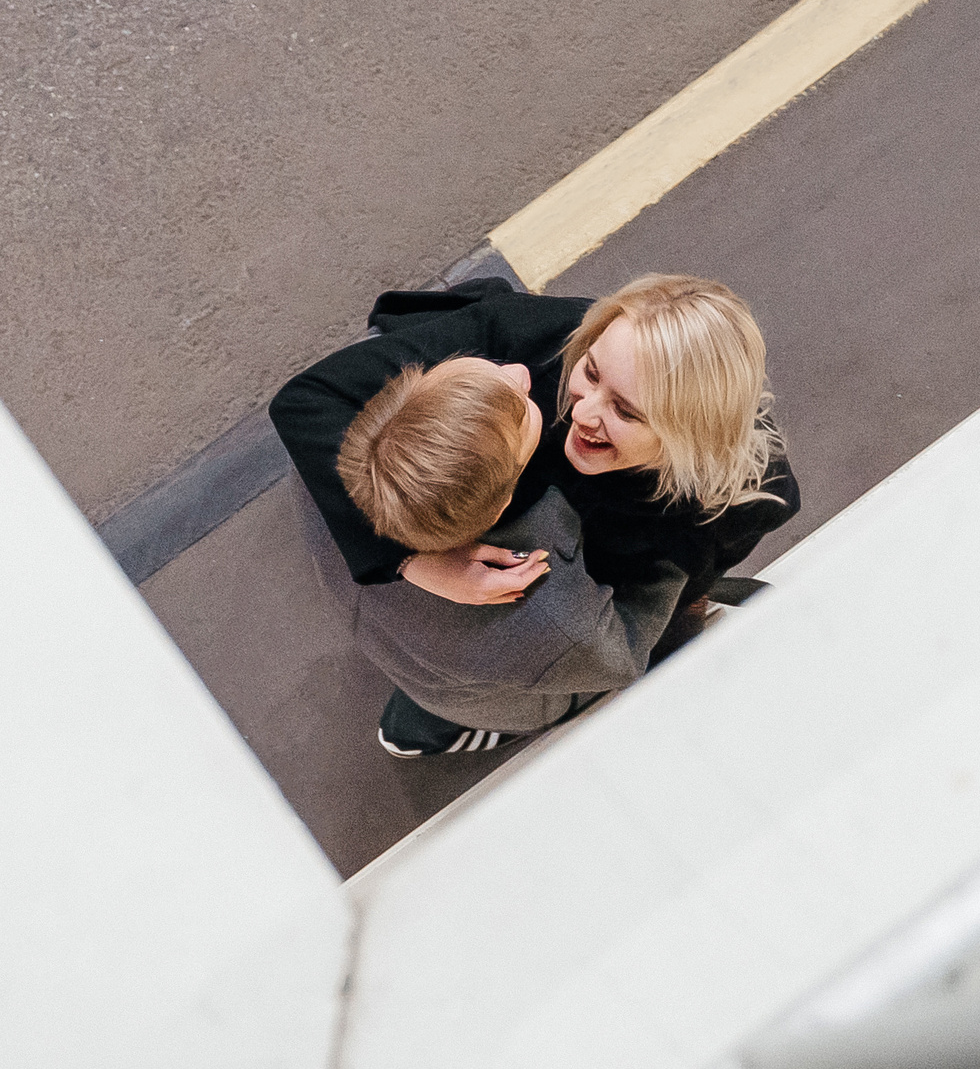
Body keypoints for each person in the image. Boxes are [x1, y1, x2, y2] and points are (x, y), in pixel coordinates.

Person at [270, 273, 801, 756]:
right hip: (472, 677)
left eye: (627, 410)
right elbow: (620, 650)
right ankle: (446, 722)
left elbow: (309, 400)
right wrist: (416, 561)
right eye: (590, 371)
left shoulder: (354, 470)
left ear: (693, 431)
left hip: (402, 630)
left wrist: (407, 555)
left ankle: (432, 717)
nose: (582, 411)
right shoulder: (560, 602)